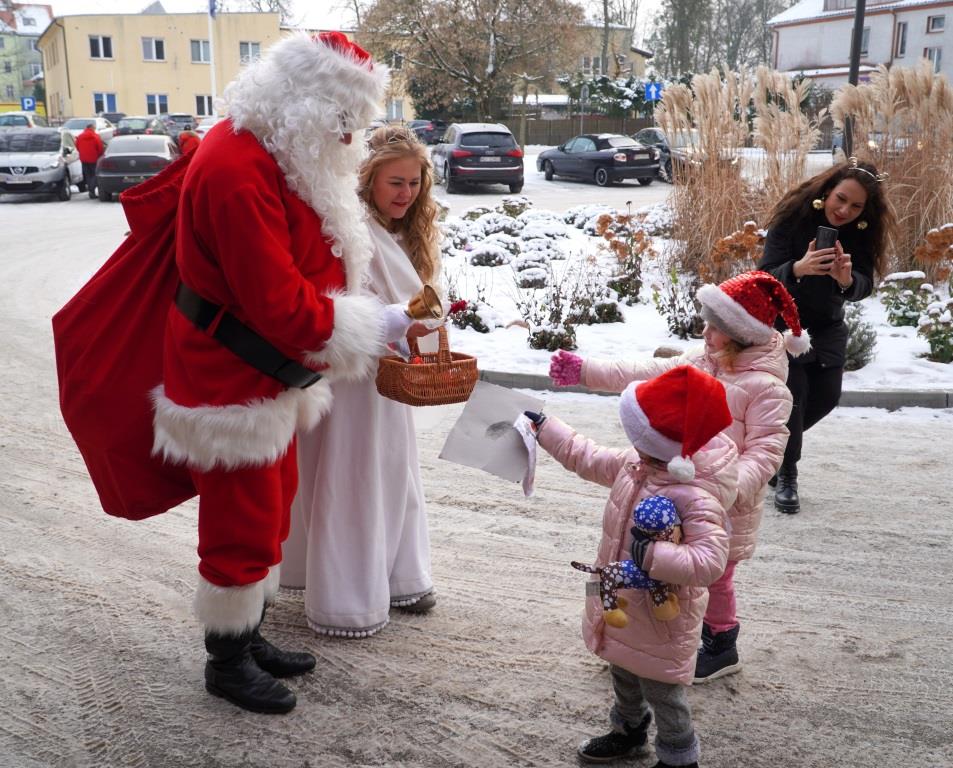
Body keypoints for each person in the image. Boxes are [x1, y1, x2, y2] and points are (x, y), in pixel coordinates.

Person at [152, 32, 418, 715]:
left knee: (271, 506)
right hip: (231, 379)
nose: (348, 136)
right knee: (239, 520)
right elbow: (275, 301)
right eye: (341, 119)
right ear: (303, 101)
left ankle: (250, 632)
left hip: (269, 373)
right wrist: (370, 326)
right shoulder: (236, 167)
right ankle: (226, 660)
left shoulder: (277, 150)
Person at [549, 270, 806, 682]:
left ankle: (722, 643)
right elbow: (643, 370)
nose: (705, 333)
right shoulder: (699, 361)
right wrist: (586, 371)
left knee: (715, 578)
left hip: (723, 506)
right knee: (664, 576)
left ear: (741, 335)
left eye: (715, 327)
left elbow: (765, 453)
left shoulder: (768, 389)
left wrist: (720, 489)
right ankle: (651, 644)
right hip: (673, 493)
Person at [527, 365, 737, 768]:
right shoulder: (639, 463)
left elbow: (710, 560)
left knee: (662, 691)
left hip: (661, 618)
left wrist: (653, 557)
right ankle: (628, 730)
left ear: (665, 446)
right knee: (621, 669)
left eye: (640, 439)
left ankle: (679, 757)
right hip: (620, 601)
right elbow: (587, 456)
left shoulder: (694, 495)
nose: (633, 446)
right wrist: (545, 427)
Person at [281, 125, 441, 636]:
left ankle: (400, 576)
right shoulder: (348, 231)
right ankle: (346, 600)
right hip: (350, 378)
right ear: (368, 179)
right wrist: (402, 320)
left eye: (414, 183)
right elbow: (334, 305)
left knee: (394, 472)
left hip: (390, 378)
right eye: (396, 182)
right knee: (352, 479)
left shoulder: (403, 232)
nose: (406, 193)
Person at [758, 157, 895, 514]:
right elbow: (764, 274)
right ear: (827, 191)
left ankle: (772, 452)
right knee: (794, 395)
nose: (845, 210)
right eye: (841, 199)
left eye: (856, 206)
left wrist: (847, 280)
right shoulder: (792, 219)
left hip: (827, 325)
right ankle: (787, 475)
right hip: (785, 323)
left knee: (827, 397)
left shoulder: (861, 232)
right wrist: (798, 268)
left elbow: (864, 285)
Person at [74, 122, 105, 199]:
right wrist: (100, 155)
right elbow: (100, 148)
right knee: (95, 174)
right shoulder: (95, 136)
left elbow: (77, 146)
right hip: (94, 159)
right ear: (92, 128)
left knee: (88, 175)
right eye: (94, 128)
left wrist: (82, 153)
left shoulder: (80, 136)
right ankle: (91, 189)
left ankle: (91, 192)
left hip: (84, 159)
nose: (95, 129)